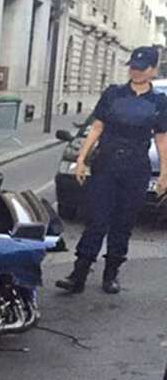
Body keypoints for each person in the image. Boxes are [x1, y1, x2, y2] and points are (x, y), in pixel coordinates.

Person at [56, 46, 167, 293]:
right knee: (97, 220)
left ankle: (111, 274)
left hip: (136, 168)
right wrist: (82, 158)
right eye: (133, 67)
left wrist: (164, 175)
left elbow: (161, 139)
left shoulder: (159, 102)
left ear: (152, 70)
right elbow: (96, 127)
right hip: (106, 165)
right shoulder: (113, 94)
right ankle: (78, 274)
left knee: (123, 223)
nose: (135, 72)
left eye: (141, 68)